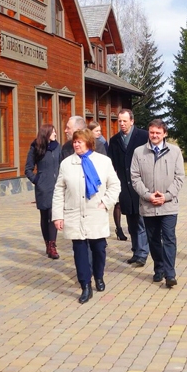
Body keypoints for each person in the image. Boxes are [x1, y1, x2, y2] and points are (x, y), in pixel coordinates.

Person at [52, 128, 121, 304]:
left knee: (99, 249)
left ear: (89, 143)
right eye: (75, 141)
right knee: (79, 251)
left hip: (96, 212)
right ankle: (85, 285)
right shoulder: (67, 164)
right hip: (74, 214)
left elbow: (115, 186)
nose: (76, 144)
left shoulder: (103, 162)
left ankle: (98, 276)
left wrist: (105, 203)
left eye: (80, 141)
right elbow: (59, 190)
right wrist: (58, 216)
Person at [131, 119, 185, 288]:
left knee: (169, 238)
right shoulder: (139, 152)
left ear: (165, 134)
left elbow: (179, 177)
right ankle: (159, 268)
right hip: (148, 205)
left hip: (168, 205)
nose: (154, 135)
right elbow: (135, 177)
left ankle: (170, 274)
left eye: (158, 133)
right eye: (152, 132)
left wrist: (167, 196)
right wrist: (148, 195)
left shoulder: (175, 152)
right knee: (153, 240)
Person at [108, 109, 150, 266]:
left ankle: (142, 253)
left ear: (132, 121)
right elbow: (110, 164)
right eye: (119, 121)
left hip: (140, 185)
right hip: (124, 186)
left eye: (125, 121)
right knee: (131, 222)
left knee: (140, 220)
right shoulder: (114, 140)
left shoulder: (143, 136)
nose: (122, 124)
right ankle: (135, 250)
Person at [24, 123, 62, 260]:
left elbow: (62, 164)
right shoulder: (36, 147)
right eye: (53, 133)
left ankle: (52, 246)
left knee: (53, 215)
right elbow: (28, 169)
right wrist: (37, 180)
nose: (55, 135)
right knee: (44, 216)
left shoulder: (57, 147)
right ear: (46, 134)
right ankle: (47, 243)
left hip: (57, 187)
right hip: (43, 189)